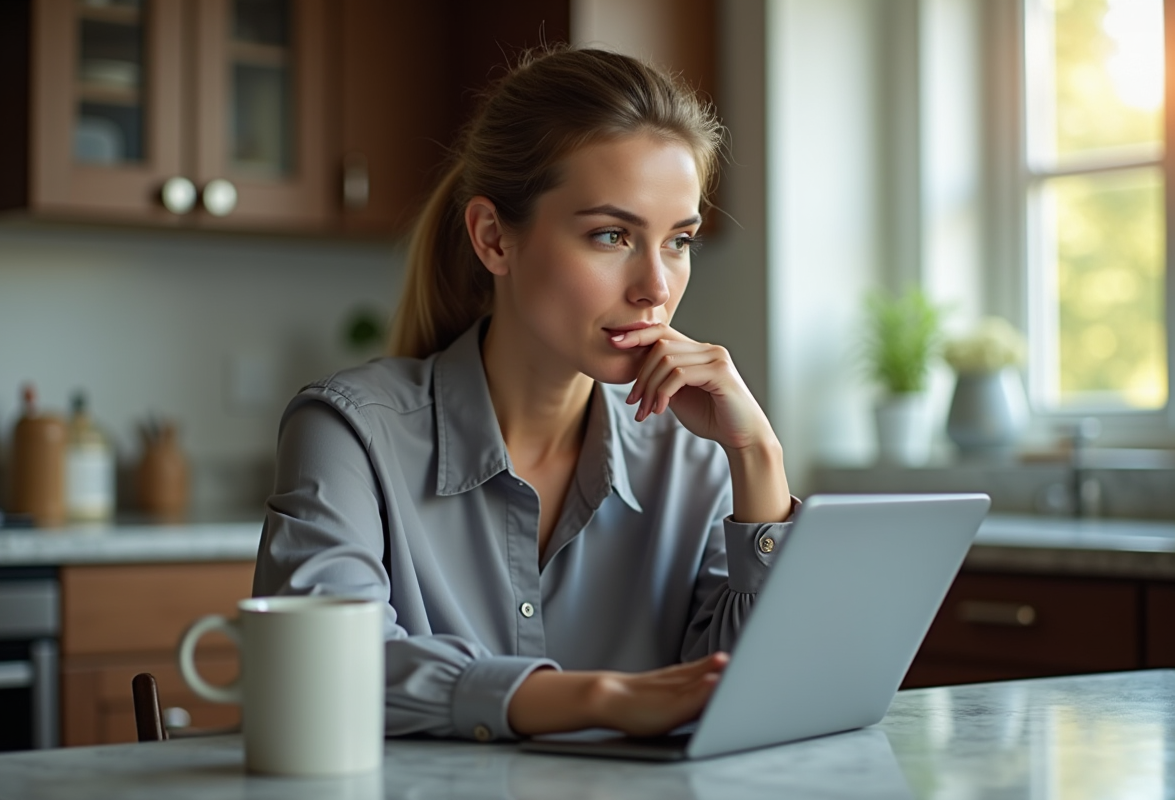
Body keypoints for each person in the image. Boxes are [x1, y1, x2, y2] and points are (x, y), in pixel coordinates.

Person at [253, 46, 796, 743]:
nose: (656, 289)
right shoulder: (351, 431)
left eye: (678, 241)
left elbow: (760, 694)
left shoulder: (694, 456)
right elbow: (320, 670)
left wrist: (758, 456)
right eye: (611, 235)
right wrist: (596, 698)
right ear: (493, 239)